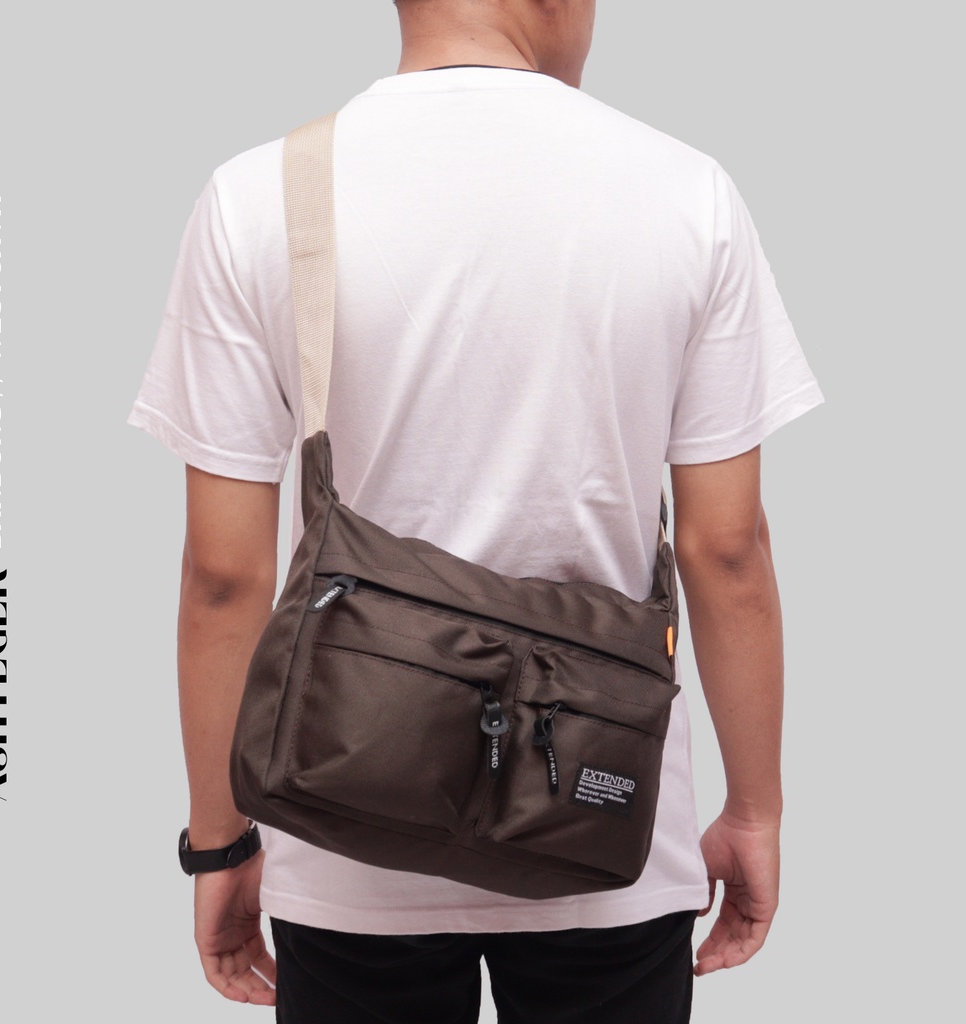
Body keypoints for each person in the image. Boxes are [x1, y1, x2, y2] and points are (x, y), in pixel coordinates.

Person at [129, 1, 823, 1020]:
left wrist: (221, 840)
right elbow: (726, 550)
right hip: (605, 829)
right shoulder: (687, 194)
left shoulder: (261, 197)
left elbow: (223, 577)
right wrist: (754, 811)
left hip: (343, 832)